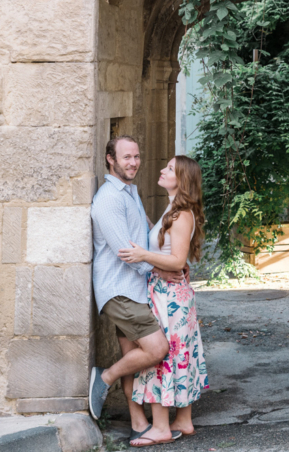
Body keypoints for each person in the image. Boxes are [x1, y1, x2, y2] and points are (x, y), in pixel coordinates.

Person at [118, 156, 209, 446]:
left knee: (164, 359)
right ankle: (183, 420)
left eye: (169, 169)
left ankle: (160, 427)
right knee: (179, 356)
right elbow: (161, 240)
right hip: (171, 295)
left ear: (182, 180)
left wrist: (144, 256)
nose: (161, 170)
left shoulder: (182, 214)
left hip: (169, 298)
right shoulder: (173, 210)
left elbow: (177, 259)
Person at [88, 135, 170, 440]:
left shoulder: (129, 192)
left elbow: (144, 233)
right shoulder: (109, 199)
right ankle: (104, 377)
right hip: (120, 290)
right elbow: (128, 253)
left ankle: (138, 425)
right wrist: (164, 268)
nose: (133, 162)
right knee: (157, 348)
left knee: (132, 358)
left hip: (134, 289)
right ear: (111, 159)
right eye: (126, 157)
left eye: (136, 156)